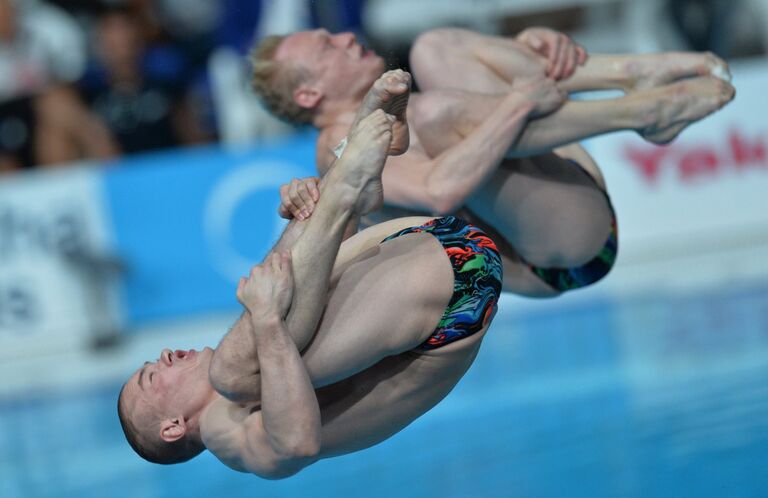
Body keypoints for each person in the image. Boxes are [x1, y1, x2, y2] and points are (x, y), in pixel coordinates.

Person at [118, 73, 503, 477]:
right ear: (174, 427)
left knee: (273, 310)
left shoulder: (252, 391)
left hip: (440, 256)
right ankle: (344, 181)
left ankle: (342, 187)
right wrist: (266, 321)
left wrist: (303, 208)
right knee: (238, 363)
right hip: (455, 293)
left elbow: (309, 281)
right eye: (152, 377)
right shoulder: (224, 433)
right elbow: (299, 444)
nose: (164, 356)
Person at [251, 27, 735, 297]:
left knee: (433, 48)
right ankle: (639, 112)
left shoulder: (393, 107)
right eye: (327, 47)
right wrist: (517, 100)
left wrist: (529, 49)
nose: (345, 37)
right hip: (557, 253)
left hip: (561, 180)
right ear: (310, 93)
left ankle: (634, 77)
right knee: (435, 114)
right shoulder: (338, 148)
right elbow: (439, 192)